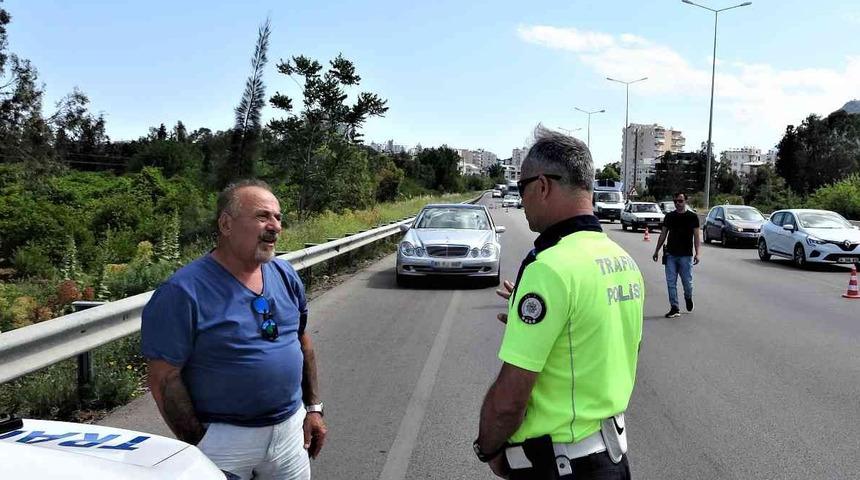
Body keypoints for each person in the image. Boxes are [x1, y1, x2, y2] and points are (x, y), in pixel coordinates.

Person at [474, 127, 644, 479]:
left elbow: (508, 402)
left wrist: (488, 448)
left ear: (542, 186)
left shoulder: (550, 267)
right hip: (612, 460)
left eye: (522, 189)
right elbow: (597, 342)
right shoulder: (622, 260)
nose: (521, 201)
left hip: (565, 466)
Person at [142, 179, 327, 480]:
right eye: (262, 216)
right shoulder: (183, 291)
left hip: (290, 432)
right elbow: (163, 377)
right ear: (226, 225)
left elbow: (302, 342)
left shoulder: (285, 274)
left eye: (278, 217)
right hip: (224, 440)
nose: (275, 226)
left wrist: (314, 408)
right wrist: (200, 443)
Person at [652, 192, 700, 318]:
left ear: (685, 201)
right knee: (671, 282)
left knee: (687, 283)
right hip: (671, 255)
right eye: (676, 201)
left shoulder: (692, 217)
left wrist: (698, 253)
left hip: (686, 255)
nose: (678, 203)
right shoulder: (670, 216)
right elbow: (663, 234)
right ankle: (674, 307)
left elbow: (696, 237)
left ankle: (688, 297)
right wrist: (656, 250)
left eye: (680, 201)